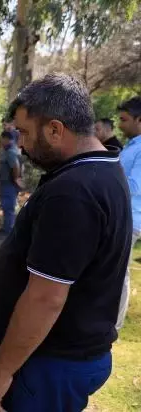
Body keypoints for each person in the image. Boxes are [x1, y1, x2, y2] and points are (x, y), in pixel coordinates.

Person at [0, 74, 131, 412]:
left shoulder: (74, 191)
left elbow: (46, 298)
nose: (23, 144)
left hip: (52, 363)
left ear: (55, 129)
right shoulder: (101, 168)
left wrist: (3, 370)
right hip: (67, 354)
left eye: (26, 133)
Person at [116, 96, 141, 330]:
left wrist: (108, 178)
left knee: (119, 273)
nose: (120, 125)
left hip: (130, 219)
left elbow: (135, 186)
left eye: (124, 120)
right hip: (120, 216)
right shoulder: (133, 145)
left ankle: (114, 326)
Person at [0, 129, 22, 235]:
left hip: (9, 183)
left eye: (2, 139)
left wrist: (16, 179)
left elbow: (15, 166)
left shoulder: (10, 151)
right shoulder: (11, 149)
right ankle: (7, 227)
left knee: (8, 206)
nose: (1, 141)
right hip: (8, 183)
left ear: (6, 139)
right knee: (8, 205)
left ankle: (8, 230)